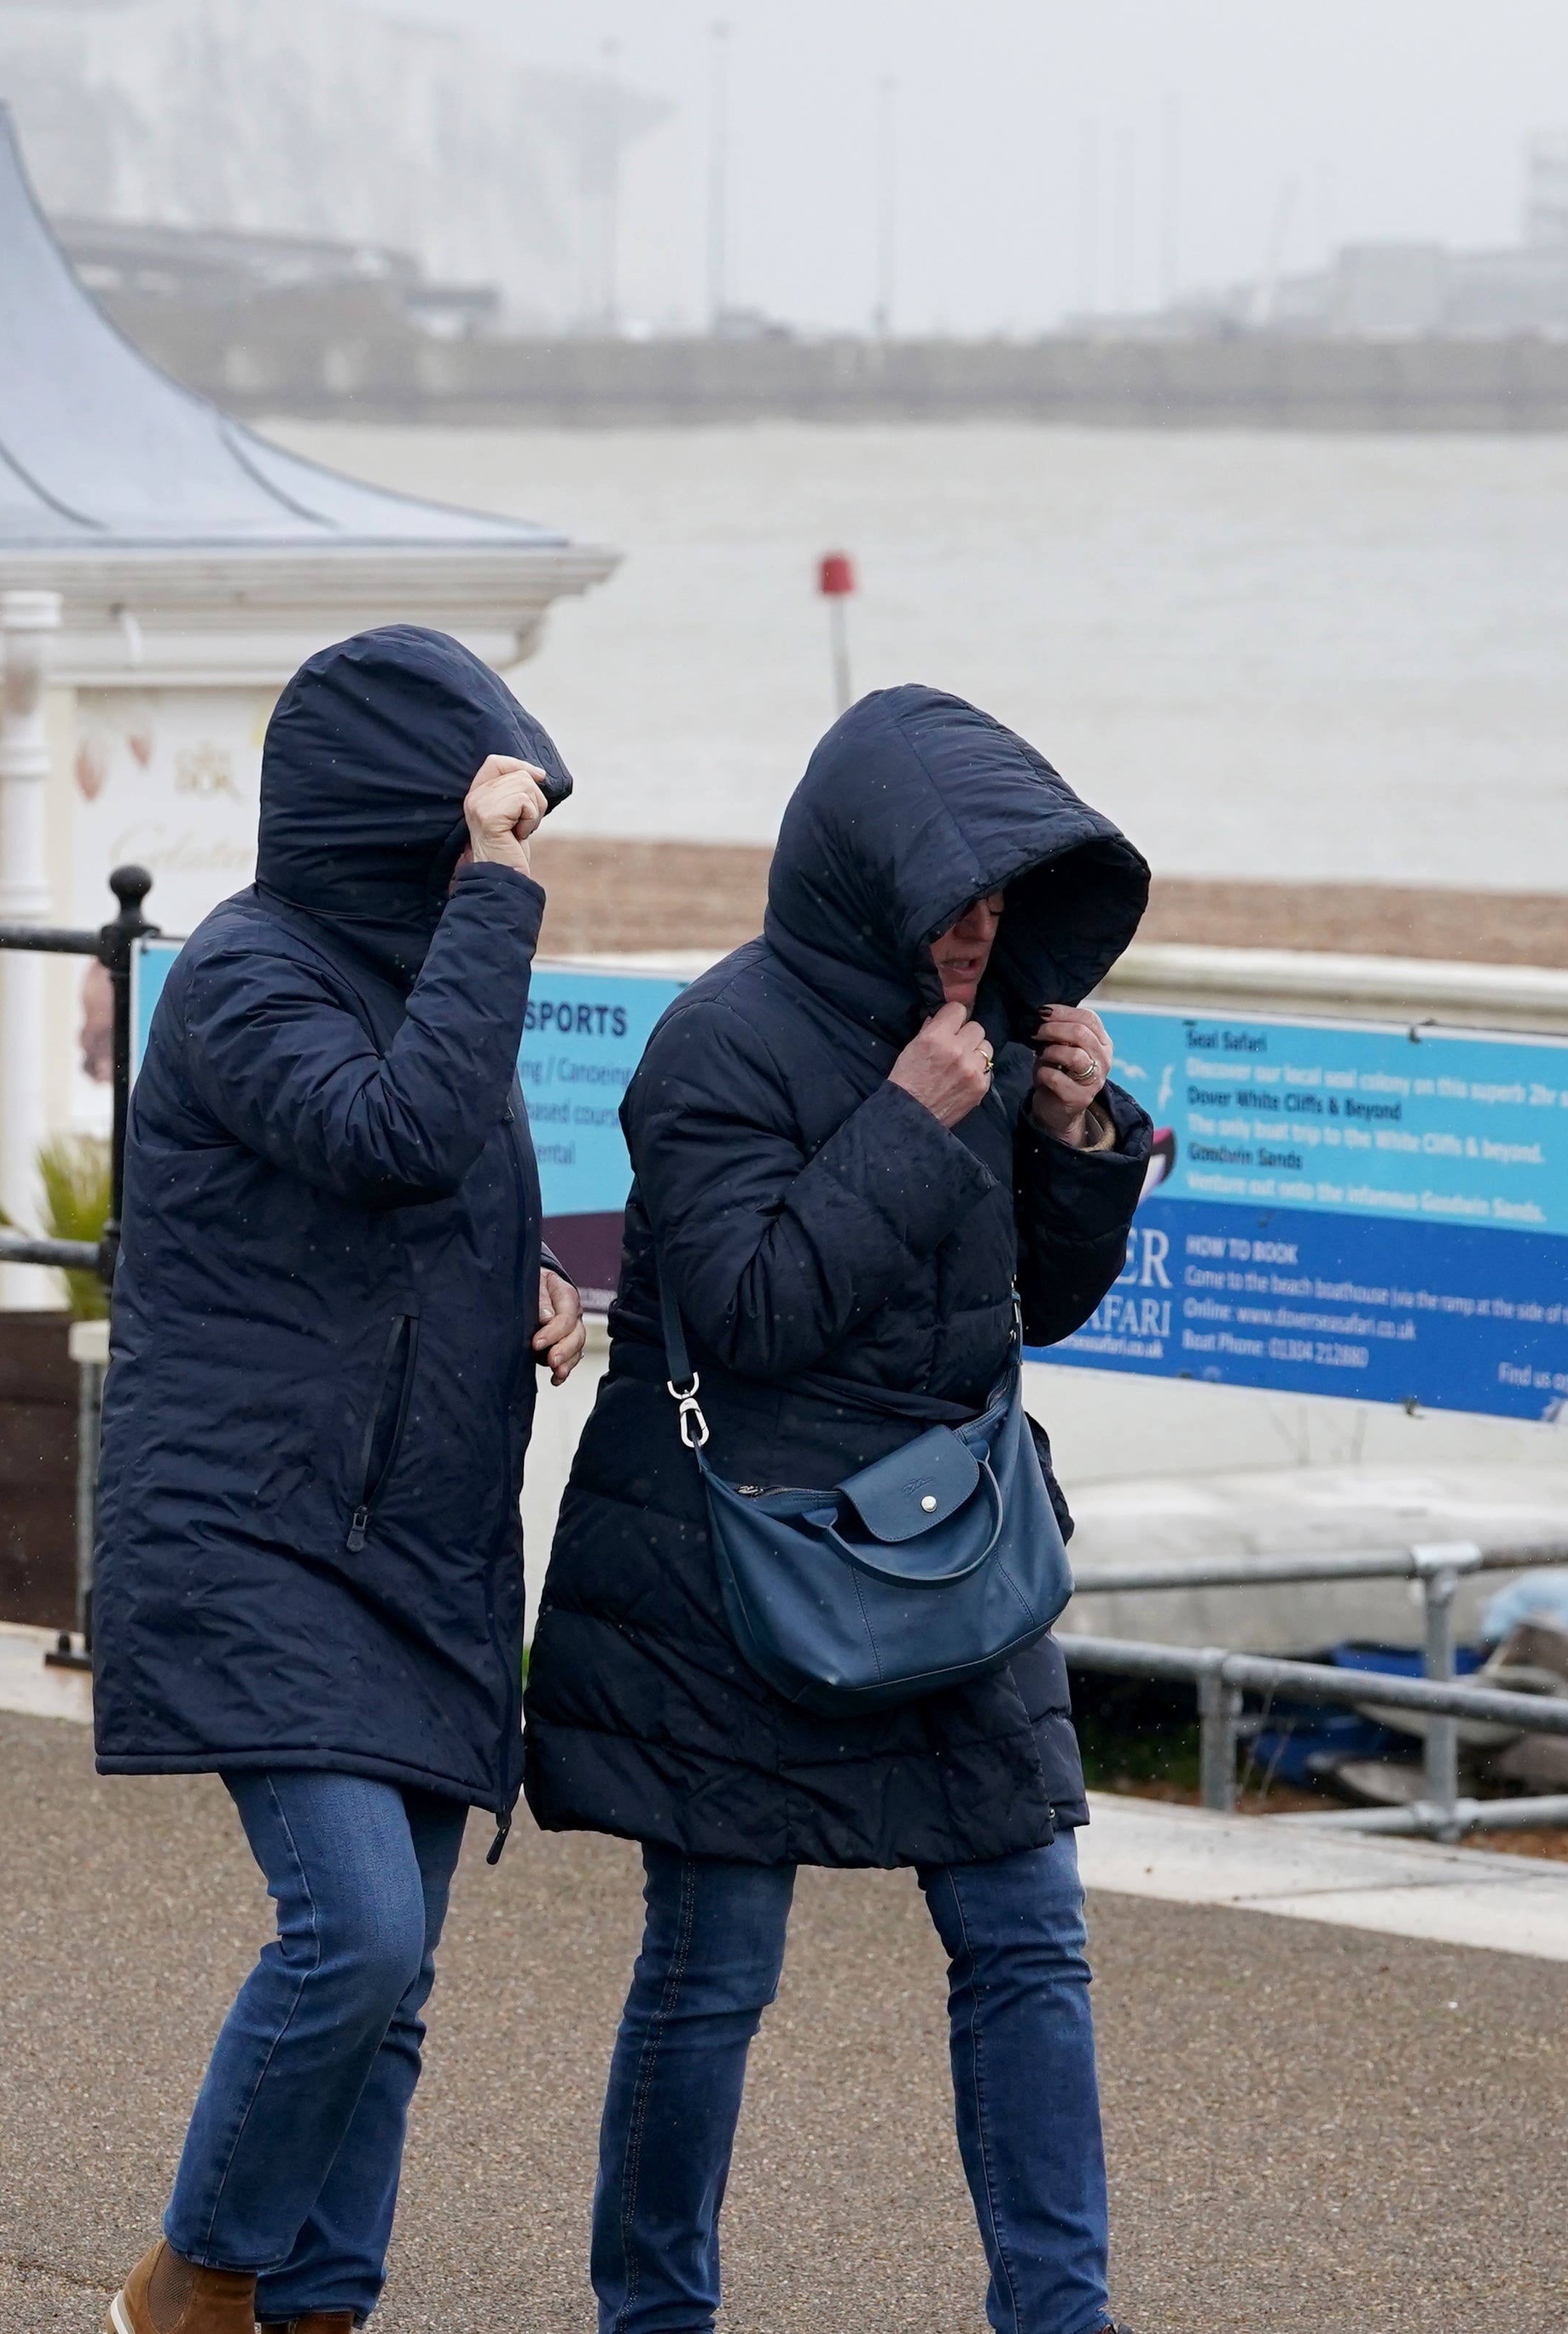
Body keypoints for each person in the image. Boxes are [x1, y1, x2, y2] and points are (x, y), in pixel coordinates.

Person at [525, 685, 1155, 2334]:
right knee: (716, 1962)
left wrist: (1074, 1131)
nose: (978, 934)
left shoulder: (995, 1029)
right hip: (741, 1561)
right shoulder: (716, 1044)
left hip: (950, 1544)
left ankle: (1058, 2315)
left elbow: (1044, 1302)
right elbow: (747, 1310)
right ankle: (653, 2314)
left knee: (1028, 1931)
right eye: (952, 903)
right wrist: (910, 1118)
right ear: (862, 881)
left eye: (1002, 904)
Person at [94, 625, 589, 2334]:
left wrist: (526, 1280)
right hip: (254, 1526)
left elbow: (429, 1176)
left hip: (421, 1534)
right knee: (354, 1934)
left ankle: (323, 2306)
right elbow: (388, 1134)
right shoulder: (243, 974)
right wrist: (499, 895)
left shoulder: (421, 973)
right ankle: (194, 2280)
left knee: (402, 1983)